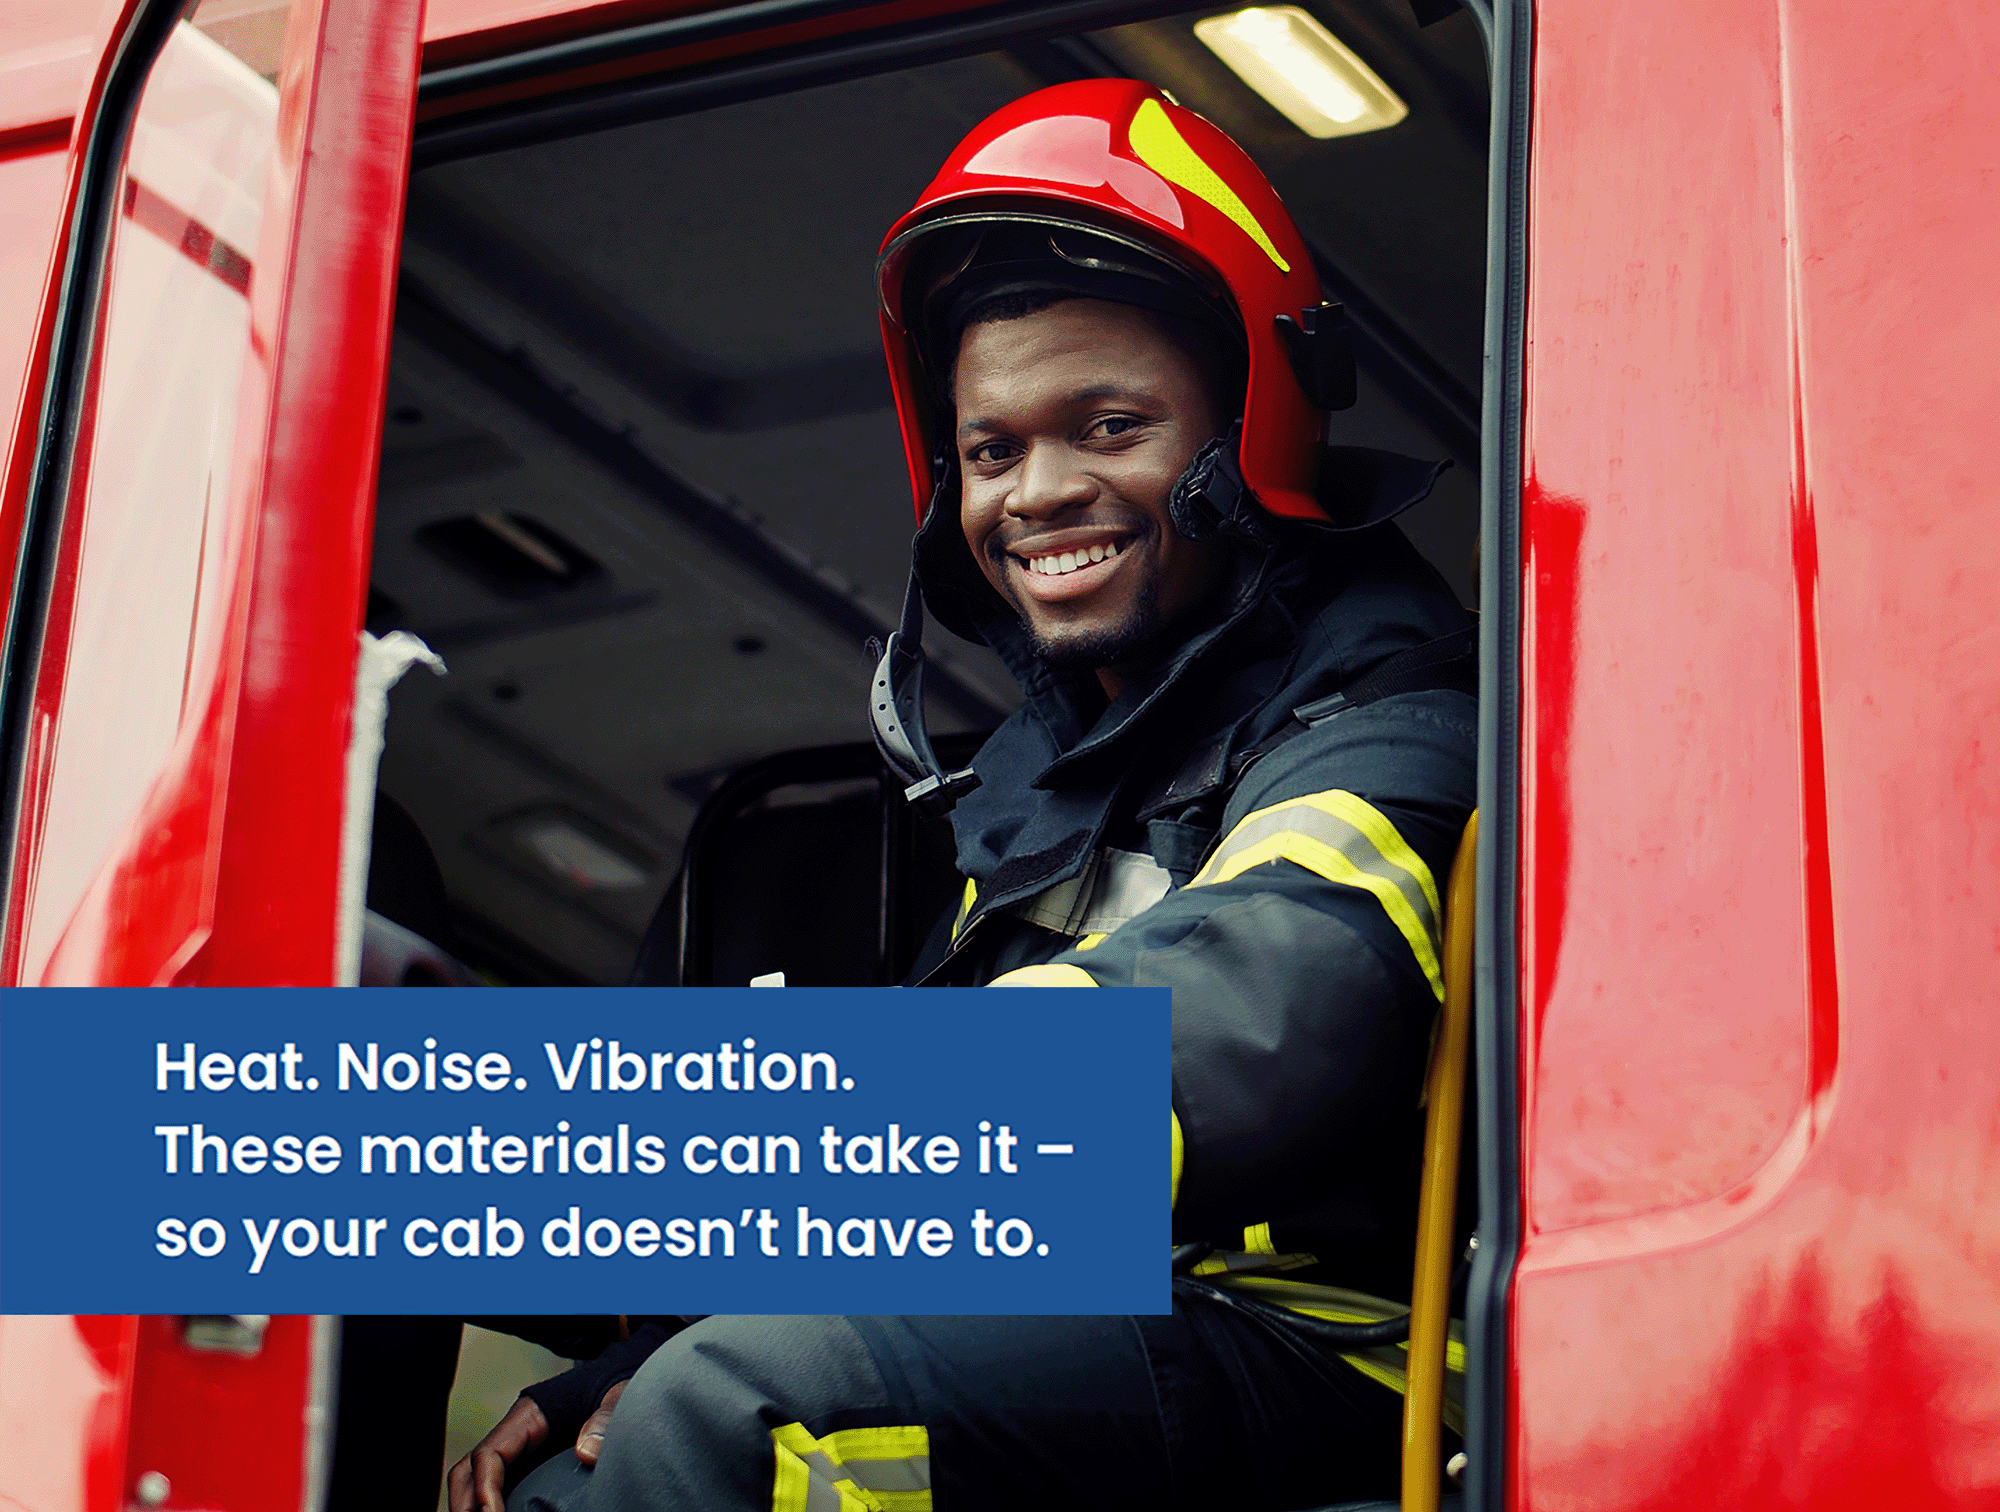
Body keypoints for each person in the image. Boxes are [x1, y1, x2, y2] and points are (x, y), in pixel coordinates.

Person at [452, 77, 1476, 1512]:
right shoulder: (1046, 791)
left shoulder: (1405, 723)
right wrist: (624, 1358)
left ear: (1257, 432)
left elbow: (1245, 1027)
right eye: (991, 449)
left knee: (751, 1420)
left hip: (1353, 1364)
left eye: (1107, 427)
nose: (1035, 492)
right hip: (1119, 1341)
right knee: (585, 1461)